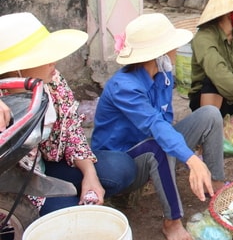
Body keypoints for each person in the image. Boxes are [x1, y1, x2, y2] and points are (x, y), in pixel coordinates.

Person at [91, 13, 226, 240]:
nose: (176, 49)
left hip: (152, 141)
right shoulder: (124, 87)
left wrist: (185, 154)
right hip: (121, 161)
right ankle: (172, 221)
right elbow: (156, 125)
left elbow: (166, 121)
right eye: (172, 45)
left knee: (210, 115)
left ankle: (215, 185)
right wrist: (191, 159)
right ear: (158, 53)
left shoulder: (162, 74)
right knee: (159, 147)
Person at [0, 12, 135, 215]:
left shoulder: (52, 82)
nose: (53, 62)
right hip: (12, 189)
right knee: (69, 217)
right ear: (17, 69)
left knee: (120, 167)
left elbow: (72, 133)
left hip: (45, 167)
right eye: (42, 56)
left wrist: (90, 175)